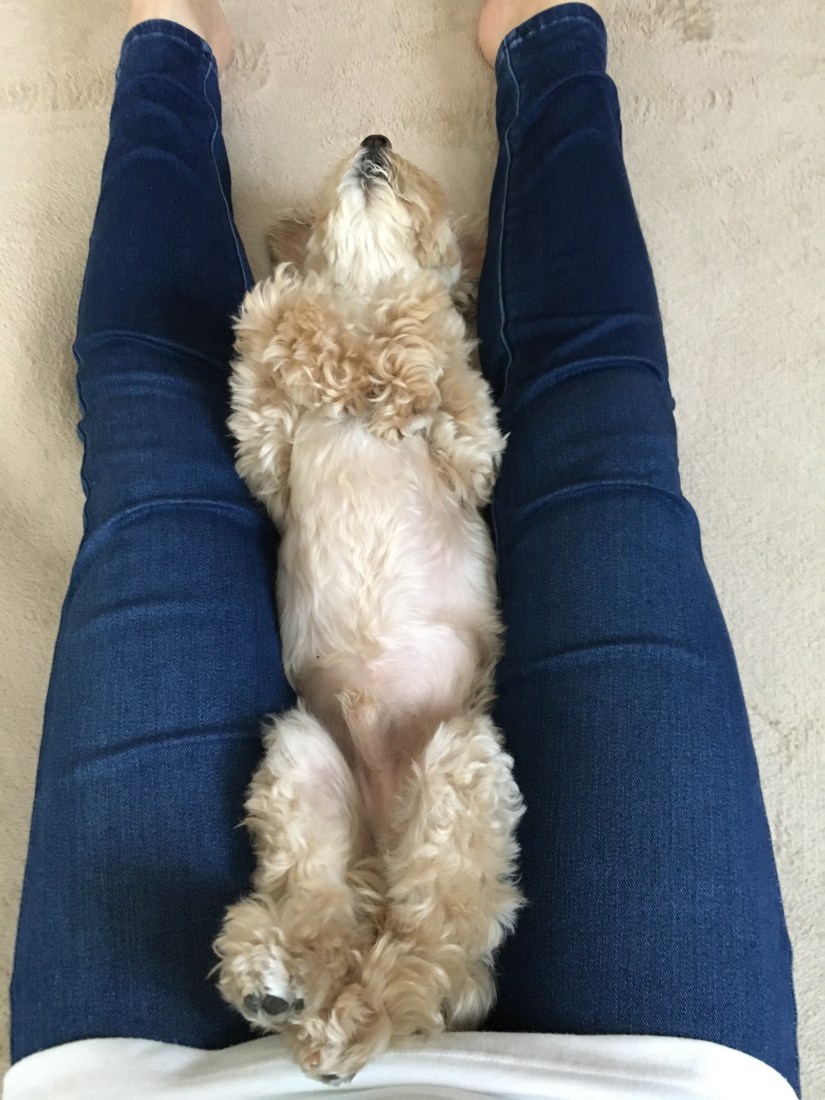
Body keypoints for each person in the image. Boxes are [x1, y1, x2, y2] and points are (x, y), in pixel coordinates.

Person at [4, 1, 801, 1097]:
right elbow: (394, 442)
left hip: (141, 1059)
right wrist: (379, 365)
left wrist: (359, 352)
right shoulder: (400, 366)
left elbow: (381, 430)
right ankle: (549, 40)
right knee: (597, 421)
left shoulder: (385, 343)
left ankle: (166, 52)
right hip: (651, 1055)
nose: (375, 154)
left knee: (154, 429)